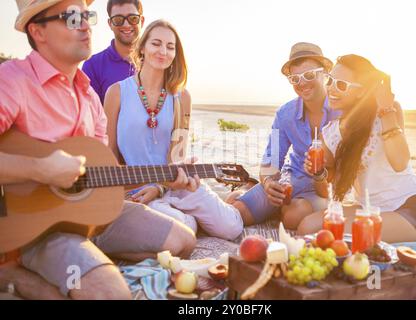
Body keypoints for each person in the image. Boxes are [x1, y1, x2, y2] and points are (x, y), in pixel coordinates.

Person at [0, 0, 196, 300]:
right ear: (38, 31)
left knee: (183, 240)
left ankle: (87, 259)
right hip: (39, 230)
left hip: (93, 219)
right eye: (72, 16)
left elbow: (105, 176)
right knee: (111, 295)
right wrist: (40, 169)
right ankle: (17, 273)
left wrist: (165, 179)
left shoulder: (90, 97)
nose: (86, 24)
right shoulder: (13, 80)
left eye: (87, 15)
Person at [103, 19, 244, 241]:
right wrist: (124, 192)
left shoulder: (182, 97)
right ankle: (190, 216)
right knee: (184, 228)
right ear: (142, 48)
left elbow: (176, 156)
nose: (163, 51)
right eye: (156, 44)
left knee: (232, 228)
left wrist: (160, 187)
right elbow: (108, 155)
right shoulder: (116, 92)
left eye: (170, 47)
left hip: (174, 184)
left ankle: (231, 201)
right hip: (136, 190)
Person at [299, 54, 416, 243]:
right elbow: (325, 190)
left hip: (410, 210)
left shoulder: (387, 112)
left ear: (362, 92)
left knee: (331, 234)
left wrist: (386, 109)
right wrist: (318, 172)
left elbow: (400, 162)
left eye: (341, 85)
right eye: (330, 80)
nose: (331, 88)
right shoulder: (330, 132)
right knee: (307, 226)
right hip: (369, 208)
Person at [228, 42, 339, 229]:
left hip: (322, 188)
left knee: (294, 217)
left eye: (309, 75)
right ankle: (256, 194)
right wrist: (269, 182)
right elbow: (271, 160)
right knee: (236, 213)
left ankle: (262, 200)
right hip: (289, 180)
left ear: (325, 74)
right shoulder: (285, 114)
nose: (302, 83)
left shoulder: (341, 111)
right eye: (295, 79)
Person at [82, 0, 144, 104]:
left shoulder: (158, 61)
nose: (126, 24)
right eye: (118, 19)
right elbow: (89, 116)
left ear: (141, 21)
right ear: (110, 24)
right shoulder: (93, 65)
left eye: (133, 18)